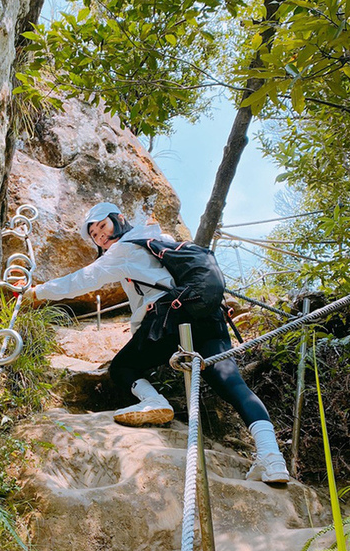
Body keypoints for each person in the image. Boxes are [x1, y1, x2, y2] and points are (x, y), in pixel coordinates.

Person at [26, 201, 291, 484]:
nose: (100, 236)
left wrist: (38, 292)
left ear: (120, 219)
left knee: (123, 368)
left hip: (170, 317)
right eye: (94, 234)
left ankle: (153, 401)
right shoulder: (158, 240)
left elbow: (83, 279)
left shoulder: (123, 249)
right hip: (207, 313)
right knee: (231, 383)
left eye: (103, 226)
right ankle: (271, 457)